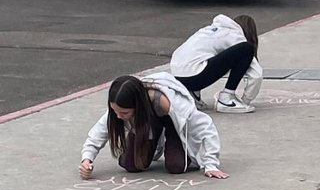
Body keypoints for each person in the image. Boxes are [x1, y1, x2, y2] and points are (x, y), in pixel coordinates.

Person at [79, 74, 227, 180]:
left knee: (176, 166)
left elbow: (206, 126)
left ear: (138, 106)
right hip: (147, 123)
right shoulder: (121, 103)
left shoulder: (174, 104)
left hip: (172, 123)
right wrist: (87, 159)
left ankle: (170, 140)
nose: (119, 116)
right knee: (130, 165)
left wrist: (211, 164)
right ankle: (154, 140)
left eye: (124, 113)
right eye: (115, 111)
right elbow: (99, 132)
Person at [170, 14, 263, 114]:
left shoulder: (210, 29)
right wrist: (246, 100)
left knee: (202, 57)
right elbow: (257, 75)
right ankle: (226, 99)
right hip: (194, 77)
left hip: (177, 75)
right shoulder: (236, 36)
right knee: (246, 49)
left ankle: (192, 95)